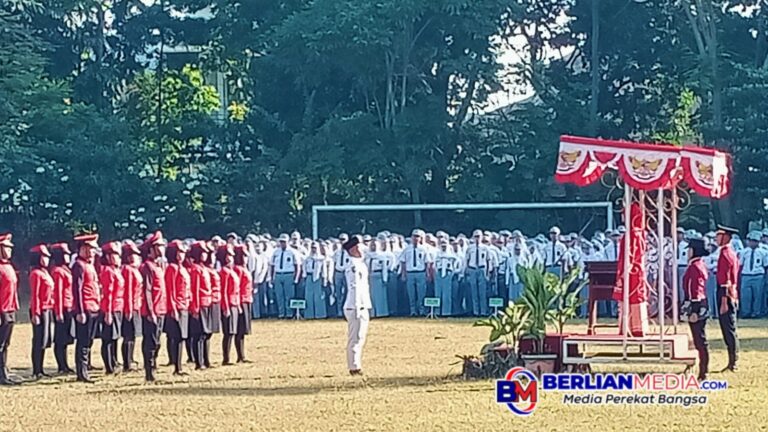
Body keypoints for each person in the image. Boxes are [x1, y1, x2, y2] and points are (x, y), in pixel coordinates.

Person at [72, 233, 101, 383]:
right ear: (83, 248)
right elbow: (77, 289)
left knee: (89, 341)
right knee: (83, 341)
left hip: (94, 306)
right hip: (86, 308)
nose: (93, 252)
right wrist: (80, 311)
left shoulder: (89, 265)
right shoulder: (79, 265)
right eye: (90, 248)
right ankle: (81, 372)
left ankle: (86, 368)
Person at [139, 231, 168, 382]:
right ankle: (149, 372)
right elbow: (147, 290)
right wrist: (151, 311)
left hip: (160, 309)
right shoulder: (147, 267)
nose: (162, 248)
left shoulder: (157, 266)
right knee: (150, 342)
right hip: (152, 311)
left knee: (157, 341)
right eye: (159, 246)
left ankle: (153, 366)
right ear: (152, 248)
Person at [343, 236, 372, 376]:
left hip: (362, 304)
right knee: (355, 338)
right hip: (356, 306)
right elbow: (354, 287)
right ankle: (354, 367)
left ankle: (356, 364)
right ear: (354, 248)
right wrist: (357, 306)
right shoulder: (353, 265)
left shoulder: (360, 264)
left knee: (360, 337)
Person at [683, 238, 710, 381]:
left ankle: (703, 371)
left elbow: (695, 289)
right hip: (700, 303)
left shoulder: (695, 267)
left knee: (699, 339)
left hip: (697, 305)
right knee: (699, 338)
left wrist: (694, 310)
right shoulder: (699, 265)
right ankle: (703, 369)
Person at [715, 225, 740, 372]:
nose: (716, 239)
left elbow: (725, 279)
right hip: (731, 292)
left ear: (725, 237)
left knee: (728, 328)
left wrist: (724, 301)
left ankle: (733, 361)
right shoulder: (730, 253)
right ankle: (732, 360)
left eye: (719, 236)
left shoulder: (725, 254)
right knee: (729, 327)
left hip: (726, 293)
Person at [165, 240, 191, 376]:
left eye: (182, 252)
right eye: (178, 252)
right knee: (177, 337)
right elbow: (170, 290)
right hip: (177, 306)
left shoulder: (182, 268)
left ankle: (179, 365)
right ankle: (177, 366)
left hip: (184, 305)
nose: (181, 255)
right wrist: (173, 308)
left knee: (182, 337)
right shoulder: (172, 268)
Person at [29, 244, 54, 379]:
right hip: (40, 310)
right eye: (43, 257)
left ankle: (41, 369)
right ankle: (36, 370)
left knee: (44, 340)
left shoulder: (45, 272)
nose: (46, 259)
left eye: (47, 257)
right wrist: (35, 313)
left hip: (47, 308)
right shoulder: (36, 274)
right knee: (38, 340)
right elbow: (35, 295)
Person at [50, 242, 75, 374]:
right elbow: (58, 293)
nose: (68, 256)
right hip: (62, 307)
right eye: (65, 254)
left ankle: (65, 365)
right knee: (60, 338)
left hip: (69, 306)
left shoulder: (65, 269)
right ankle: (61, 365)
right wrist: (58, 312)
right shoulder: (58, 271)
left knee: (65, 337)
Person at [188, 241, 212, 370]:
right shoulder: (196, 269)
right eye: (202, 252)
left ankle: (206, 360)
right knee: (198, 335)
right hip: (200, 304)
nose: (205, 255)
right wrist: (195, 308)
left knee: (205, 333)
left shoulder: (203, 268)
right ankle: (199, 362)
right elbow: (195, 290)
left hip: (206, 303)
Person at [399, 229, 433, 317]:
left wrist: (428, 274)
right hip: (410, 273)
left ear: (420, 238)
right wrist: (403, 273)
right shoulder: (407, 249)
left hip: (420, 272)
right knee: (411, 293)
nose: (416, 238)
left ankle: (421, 310)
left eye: (417, 237)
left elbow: (427, 262)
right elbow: (403, 261)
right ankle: (413, 310)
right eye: (414, 236)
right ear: (411, 237)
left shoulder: (424, 249)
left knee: (421, 293)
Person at [0, 233, 19, 385]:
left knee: (5, 344)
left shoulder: (8, 266)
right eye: (6, 248)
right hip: (2, 311)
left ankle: (3, 372)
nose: (10, 250)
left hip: (10, 309)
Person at [120, 240, 143, 372]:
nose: (136, 257)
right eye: (133, 254)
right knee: (128, 335)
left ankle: (131, 358)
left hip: (136, 305)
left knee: (133, 335)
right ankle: (127, 363)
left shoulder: (133, 269)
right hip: (130, 306)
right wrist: (128, 309)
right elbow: (128, 291)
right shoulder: (127, 270)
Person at [217, 244, 241, 366]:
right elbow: (224, 291)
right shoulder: (224, 272)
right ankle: (226, 358)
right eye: (228, 255)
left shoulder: (230, 270)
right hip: (229, 304)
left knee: (233, 331)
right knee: (228, 333)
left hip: (234, 303)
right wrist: (225, 307)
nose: (231, 258)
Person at [738, 231, 766, 318]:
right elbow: (740, 264)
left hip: (758, 275)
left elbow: (765, 265)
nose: (752, 243)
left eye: (755, 241)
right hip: (746, 275)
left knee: (758, 295)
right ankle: (746, 312)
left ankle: (756, 312)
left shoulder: (763, 252)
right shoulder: (744, 252)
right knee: (745, 295)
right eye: (751, 241)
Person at [270, 234, 300, 319]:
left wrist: (296, 278)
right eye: (281, 242)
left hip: (288, 274)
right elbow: (272, 265)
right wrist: (272, 277)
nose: (282, 243)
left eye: (284, 242)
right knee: (279, 295)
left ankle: (289, 313)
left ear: (288, 242)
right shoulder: (276, 252)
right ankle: (281, 313)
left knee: (289, 295)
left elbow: (297, 265)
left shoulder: (293, 252)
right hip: (278, 274)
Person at [464, 230, 490, 316]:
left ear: (481, 237)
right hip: (472, 269)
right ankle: (476, 311)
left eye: (478, 236)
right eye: (475, 236)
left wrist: (487, 273)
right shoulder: (470, 248)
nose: (477, 238)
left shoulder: (485, 248)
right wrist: (467, 270)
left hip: (482, 269)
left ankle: (483, 311)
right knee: (474, 291)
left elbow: (488, 261)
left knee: (482, 292)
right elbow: (467, 260)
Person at [233, 245, 253, 363]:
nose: (245, 258)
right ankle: (240, 355)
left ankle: (242, 355)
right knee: (239, 329)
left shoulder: (244, 268)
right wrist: (239, 303)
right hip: (241, 301)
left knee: (243, 330)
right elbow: (237, 288)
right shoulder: (238, 269)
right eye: (243, 256)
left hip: (247, 300)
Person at [303, 242, 328, 319]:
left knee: (319, 297)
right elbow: (304, 268)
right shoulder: (307, 258)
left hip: (318, 277)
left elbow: (324, 270)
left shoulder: (321, 259)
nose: (313, 249)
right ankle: (309, 315)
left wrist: (324, 280)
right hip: (309, 276)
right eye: (312, 248)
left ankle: (320, 315)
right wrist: (304, 276)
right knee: (308, 297)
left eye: (315, 248)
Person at [434, 239, 459, 317]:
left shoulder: (452, 255)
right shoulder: (437, 254)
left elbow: (456, 264)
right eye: (442, 244)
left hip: (448, 272)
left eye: (445, 244)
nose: (443, 246)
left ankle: (446, 312)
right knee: (438, 293)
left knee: (447, 294)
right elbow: (434, 264)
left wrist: (453, 272)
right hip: (439, 272)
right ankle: (437, 312)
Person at [206, 246, 222, 368]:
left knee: (209, 333)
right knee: (205, 334)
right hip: (208, 301)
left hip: (215, 301)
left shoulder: (212, 270)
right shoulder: (205, 270)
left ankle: (206, 359)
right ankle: (203, 360)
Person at [332, 233, 351, 317]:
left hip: (347, 273)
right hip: (338, 273)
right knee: (338, 293)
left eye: (344, 239)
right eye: (341, 239)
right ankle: (339, 311)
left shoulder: (350, 252)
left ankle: (346, 310)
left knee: (347, 292)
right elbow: (334, 263)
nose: (342, 241)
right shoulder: (337, 252)